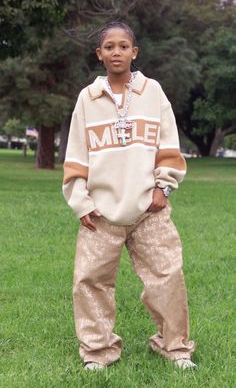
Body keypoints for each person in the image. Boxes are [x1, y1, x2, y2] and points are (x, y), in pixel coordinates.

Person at [63, 21, 196, 371]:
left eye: (124, 46)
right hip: (100, 213)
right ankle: (97, 352)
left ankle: (175, 348)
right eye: (109, 46)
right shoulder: (87, 99)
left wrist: (163, 187)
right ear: (100, 54)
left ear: (134, 52)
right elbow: (76, 154)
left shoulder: (152, 92)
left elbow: (168, 144)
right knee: (90, 281)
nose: (117, 51)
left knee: (167, 276)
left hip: (149, 209)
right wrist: (81, 201)